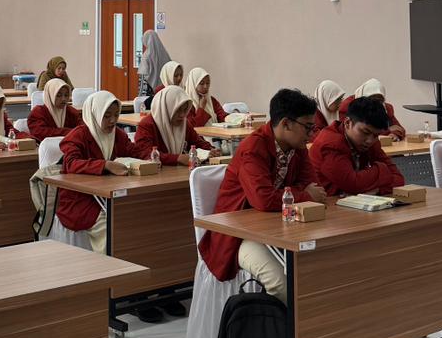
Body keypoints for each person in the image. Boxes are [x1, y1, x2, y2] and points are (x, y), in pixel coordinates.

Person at [199, 88, 326, 300]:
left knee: (319, 270)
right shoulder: (254, 147)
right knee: (281, 284)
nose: (311, 134)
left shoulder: (298, 147)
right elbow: (264, 199)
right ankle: (283, 323)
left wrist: (305, 193)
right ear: (286, 124)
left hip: (277, 228)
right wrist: (304, 195)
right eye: (308, 127)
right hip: (238, 235)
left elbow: (315, 187)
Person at [57, 91, 159, 318]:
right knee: (113, 231)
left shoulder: (118, 135)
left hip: (110, 198)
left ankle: (148, 286)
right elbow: (71, 163)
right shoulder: (78, 135)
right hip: (81, 200)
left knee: (140, 223)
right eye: (107, 116)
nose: (113, 121)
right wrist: (105, 165)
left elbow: (135, 152)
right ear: (94, 114)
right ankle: (126, 293)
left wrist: (150, 156)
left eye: (115, 115)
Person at [310, 96, 404, 195]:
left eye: (376, 135)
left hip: (352, 200)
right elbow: (353, 185)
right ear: (347, 123)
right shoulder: (330, 144)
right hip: (326, 202)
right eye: (365, 132)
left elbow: (399, 180)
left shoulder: (370, 139)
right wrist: (381, 168)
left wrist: (378, 190)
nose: (370, 141)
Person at [133, 85, 202, 165]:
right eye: (178, 110)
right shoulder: (147, 125)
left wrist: (211, 150)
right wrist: (177, 158)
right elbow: (144, 153)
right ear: (166, 108)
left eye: (185, 110)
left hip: (179, 170)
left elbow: (198, 142)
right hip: (158, 171)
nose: (182, 115)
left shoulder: (184, 124)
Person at [338, 79, 405, 140]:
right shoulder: (348, 106)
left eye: (379, 100)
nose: (375, 103)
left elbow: (399, 129)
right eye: (371, 99)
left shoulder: (386, 108)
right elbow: (346, 131)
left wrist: (394, 134)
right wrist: (388, 130)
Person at [28, 77, 81, 142]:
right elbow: (40, 133)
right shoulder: (38, 112)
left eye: (66, 95)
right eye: (58, 95)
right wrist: (71, 132)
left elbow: (83, 130)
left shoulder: (71, 111)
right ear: (50, 95)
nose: (63, 99)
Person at [137, 29, 171, 99]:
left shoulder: (146, 56)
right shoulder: (165, 54)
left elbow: (143, 78)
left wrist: (140, 98)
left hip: (150, 92)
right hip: (165, 91)